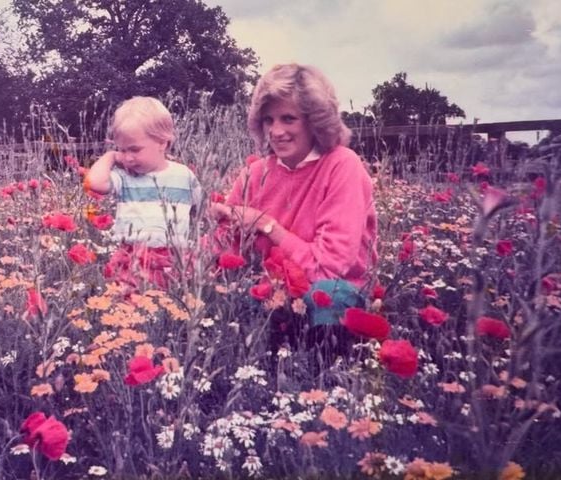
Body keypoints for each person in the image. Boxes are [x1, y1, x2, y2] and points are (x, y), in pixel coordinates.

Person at [210, 64, 378, 363]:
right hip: (272, 291)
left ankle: (328, 376)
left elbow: (329, 268)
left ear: (316, 121)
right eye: (268, 120)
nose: (276, 131)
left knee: (325, 295)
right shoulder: (255, 173)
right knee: (224, 302)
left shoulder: (342, 165)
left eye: (288, 118)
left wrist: (266, 225)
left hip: (330, 294)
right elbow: (224, 251)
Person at [85, 96, 202, 289]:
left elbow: (200, 212)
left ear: (162, 143)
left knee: (168, 303)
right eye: (122, 150)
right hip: (131, 258)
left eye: (134, 149)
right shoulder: (124, 177)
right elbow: (94, 183)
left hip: (172, 259)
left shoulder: (184, 176)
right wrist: (111, 156)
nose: (128, 158)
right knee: (128, 303)